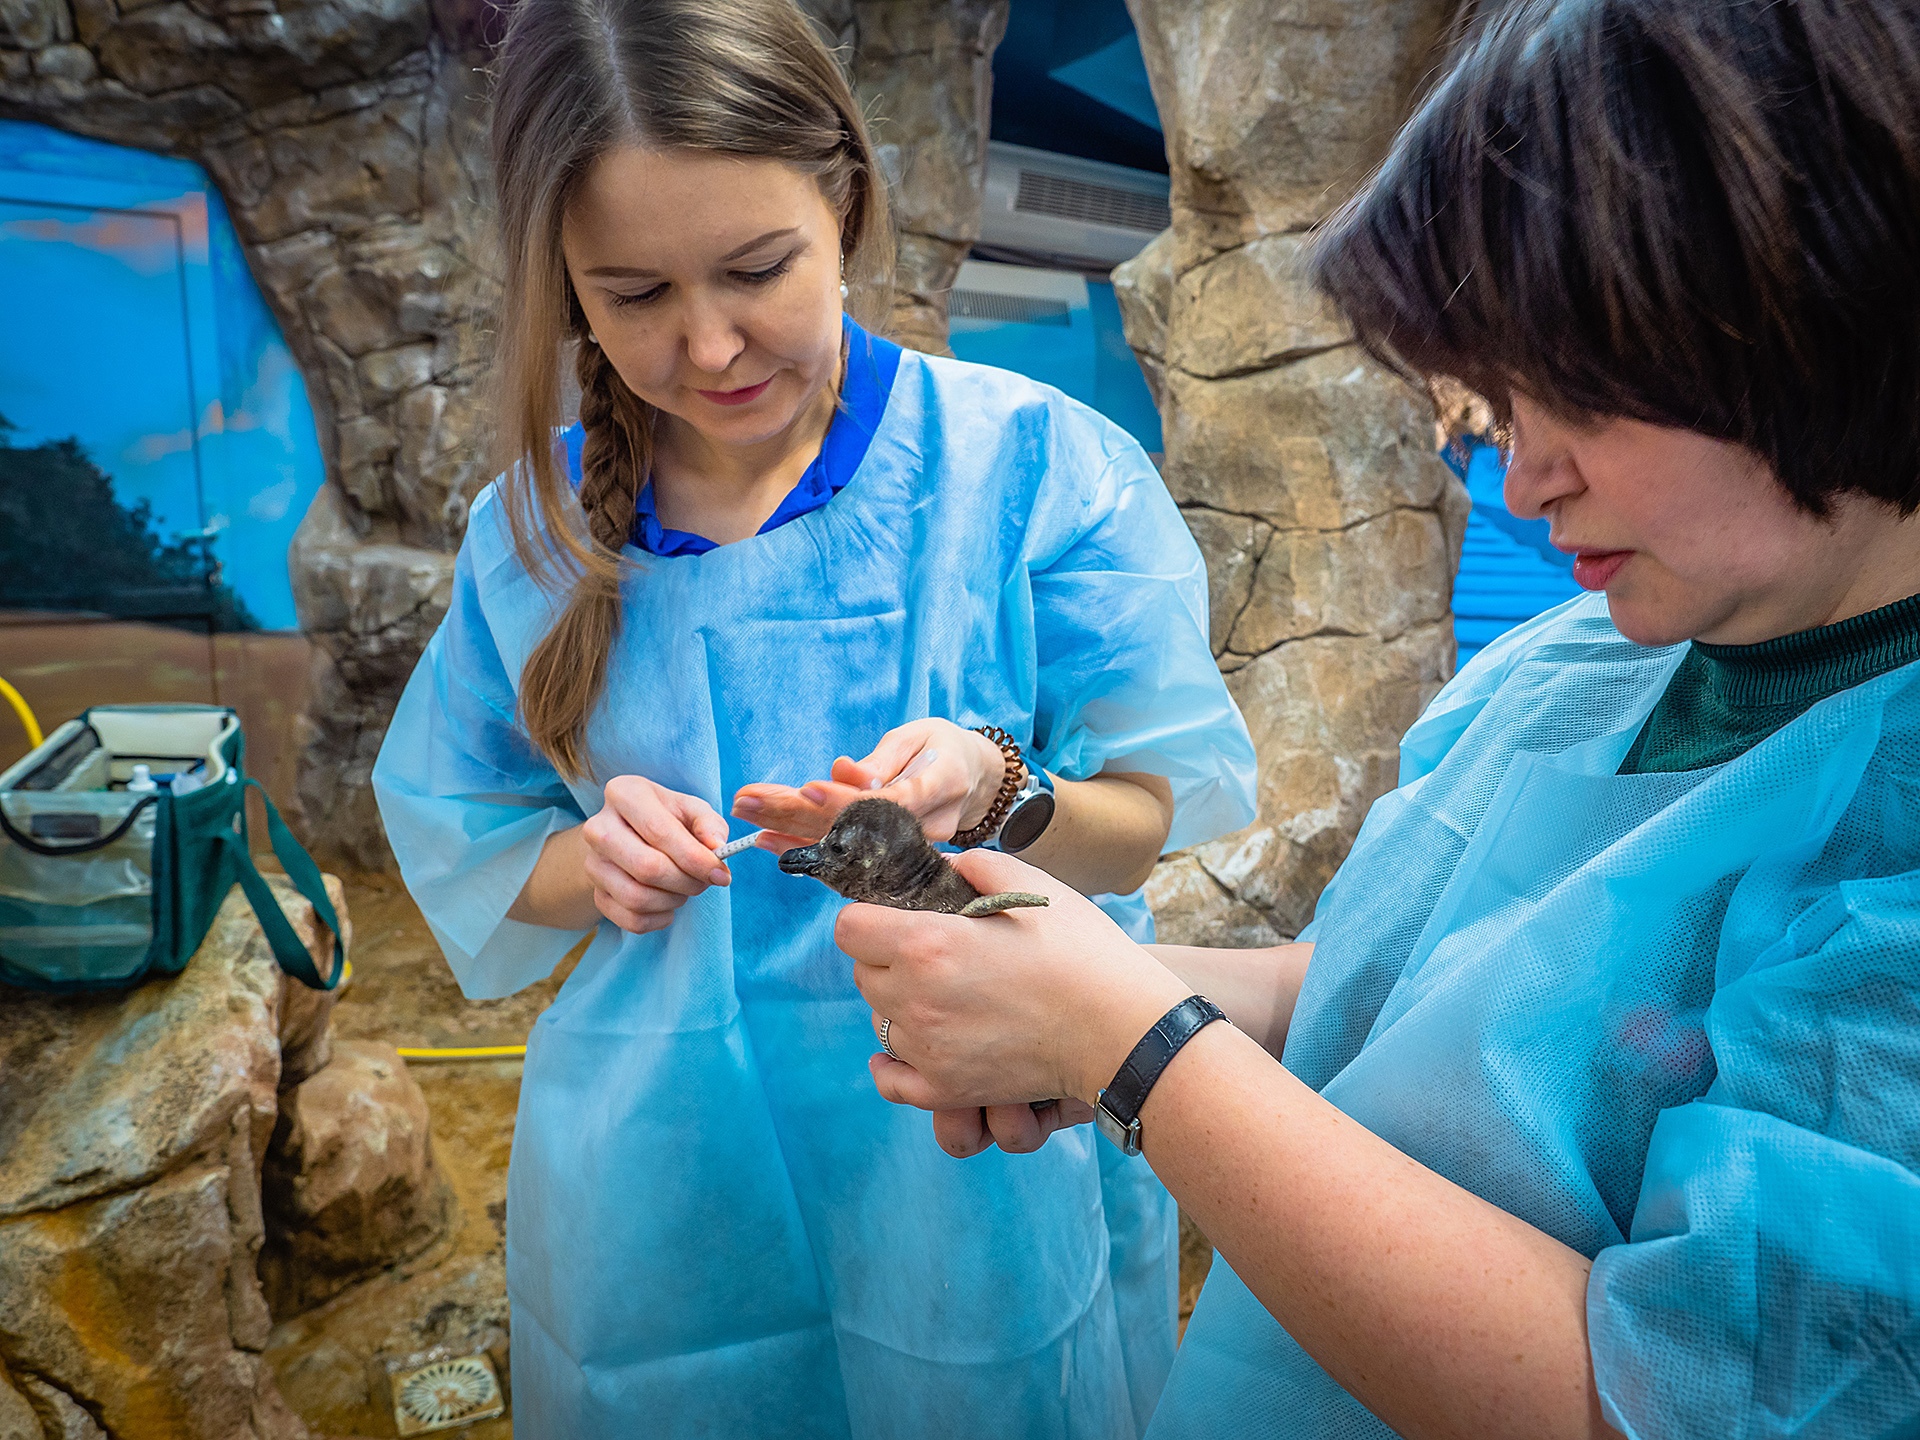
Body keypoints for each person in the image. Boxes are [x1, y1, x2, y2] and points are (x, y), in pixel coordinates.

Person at [838, 1, 1920, 1437]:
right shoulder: (1567, 667)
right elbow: (1394, 989)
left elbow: (1679, 1399)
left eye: (1584, 391)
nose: (1523, 480)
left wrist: (1138, 1048)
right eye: (1504, 398)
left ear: (1819, 306)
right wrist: (1072, 995)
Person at [370, 0, 1256, 1433]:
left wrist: (999, 784)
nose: (711, 343)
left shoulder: (1029, 468)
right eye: (635, 294)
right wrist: (594, 859)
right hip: (662, 1181)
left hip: (985, 1159)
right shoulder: (532, 531)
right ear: (565, 286)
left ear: (841, 199)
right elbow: (468, 828)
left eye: (757, 269)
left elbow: (1142, 823)